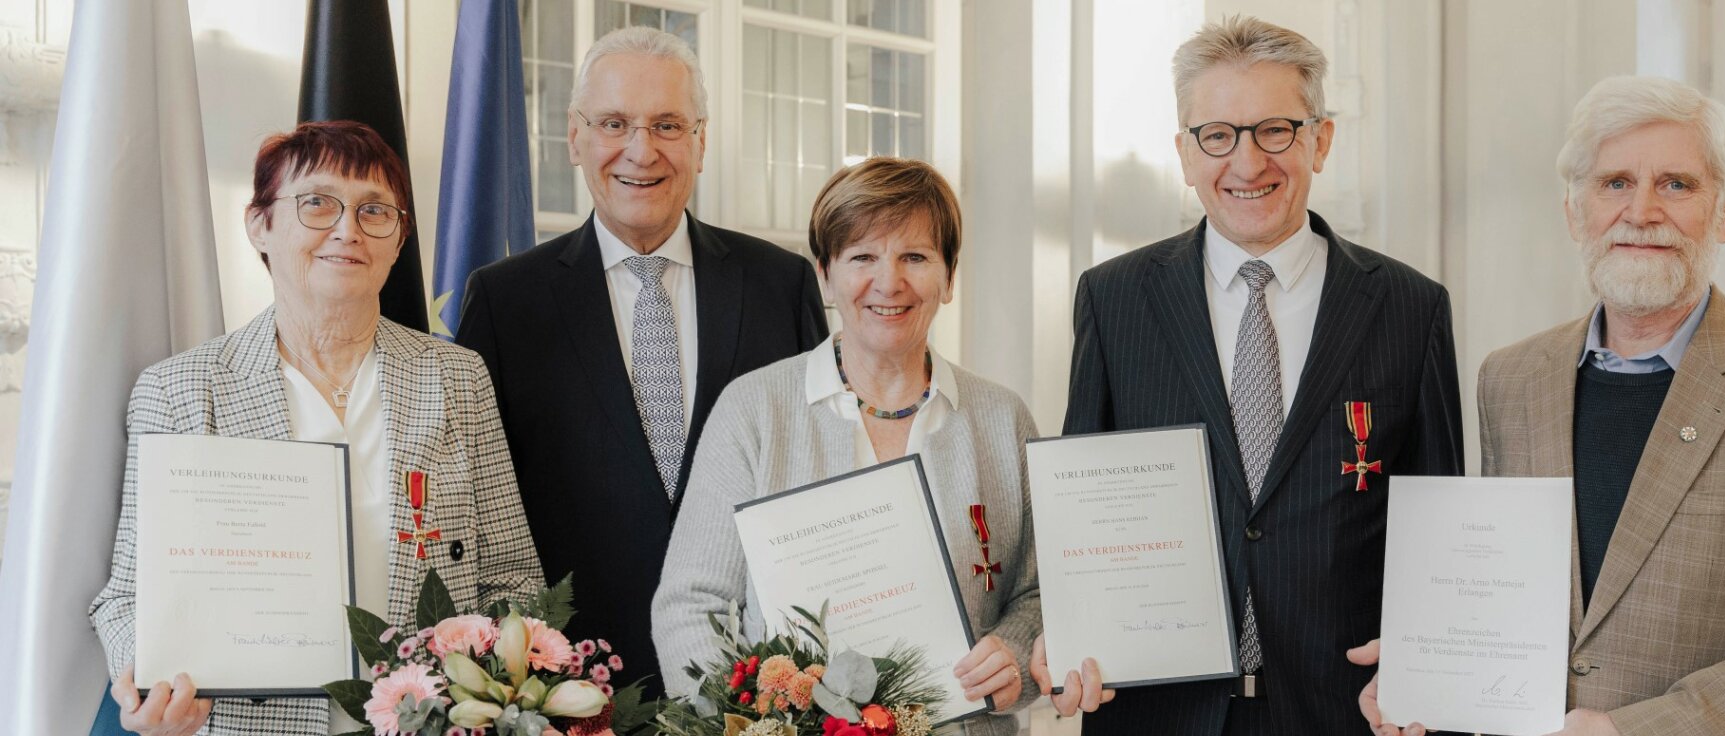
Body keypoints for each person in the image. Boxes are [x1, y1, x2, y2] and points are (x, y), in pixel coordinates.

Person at [1355, 75, 1725, 736]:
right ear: (1574, 210)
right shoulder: (1510, 379)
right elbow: (1507, 591)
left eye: (1677, 184)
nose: (1641, 211)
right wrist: (1431, 671)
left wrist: (1631, 732)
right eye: (1614, 183)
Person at [1034, 16, 1464, 734]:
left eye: (1275, 130)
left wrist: (1423, 664)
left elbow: (1438, 521)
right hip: (1157, 711)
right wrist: (1071, 631)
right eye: (1218, 134)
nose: (1246, 161)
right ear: (1184, 151)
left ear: (1320, 140)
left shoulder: (1411, 307)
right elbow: (1085, 504)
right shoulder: (1112, 299)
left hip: (1345, 713)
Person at [89, 120, 545, 736]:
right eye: (317, 204)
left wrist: (494, 696)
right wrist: (146, 684)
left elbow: (514, 575)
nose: (347, 230)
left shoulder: (458, 378)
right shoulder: (180, 391)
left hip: (433, 725)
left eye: (374, 210)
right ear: (260, 224)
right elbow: (125, 600)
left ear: (399, 237)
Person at [456, 26, 828, 689]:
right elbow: (478, 508)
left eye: (666, 125)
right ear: (575, 138)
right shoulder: (506, 303)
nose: (640, 150)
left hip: (754, 690)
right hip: (567, 691)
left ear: (701, 142)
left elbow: (819, 475)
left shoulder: (782, 285)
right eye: (614, 123)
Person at [650, 158, 1040, 735]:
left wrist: (1014, 655)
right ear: (826, 276)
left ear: (949, 277)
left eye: (915, 257)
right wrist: (746, 725)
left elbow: (1038, 591)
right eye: (862, 257)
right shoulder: (753, 410)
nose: (889, 282)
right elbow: (689, 605)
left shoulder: (1002, 419)